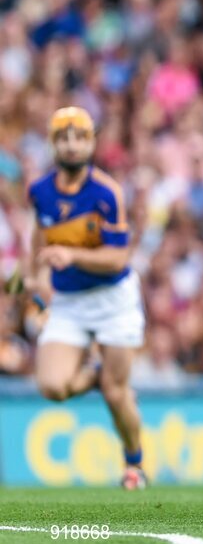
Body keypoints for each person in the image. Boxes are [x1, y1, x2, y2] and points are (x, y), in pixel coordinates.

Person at [26, 106, 148, 490]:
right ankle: (97, 373)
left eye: (80, 137)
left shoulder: (106, 192)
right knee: (52, 387)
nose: (73, 146)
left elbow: (118, 258)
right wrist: (32, 278)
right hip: (71, 303)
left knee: (116, 394)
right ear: (53, 144)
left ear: (92, 142)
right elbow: (39, 236)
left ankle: (134, 465)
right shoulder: (40, 191)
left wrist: (72, 255)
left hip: (114, 301)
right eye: (64, 138)